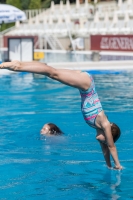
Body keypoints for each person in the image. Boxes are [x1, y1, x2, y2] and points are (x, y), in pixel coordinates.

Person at [0, 60, 122, 170]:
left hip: (84, 85)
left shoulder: (98, 128)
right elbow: (111, 147)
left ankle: (19, 65)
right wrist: (118, 165)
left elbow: (106, 149)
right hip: (87, 85)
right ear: (108, 135)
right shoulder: (104, 123)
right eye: (105, 141)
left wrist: (109, 166)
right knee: (53, 73)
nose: (102, 142)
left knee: (52, 72)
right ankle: (17, 66)